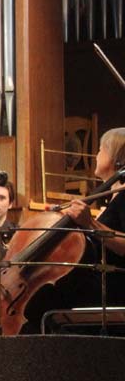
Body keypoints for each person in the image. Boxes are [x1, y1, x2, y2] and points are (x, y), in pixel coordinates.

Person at [63, 127, 125, 308]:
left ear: (116, 157)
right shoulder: (113, 196)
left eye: (100, 149)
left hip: (112, 289)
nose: (96, 156)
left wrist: (90, 223)